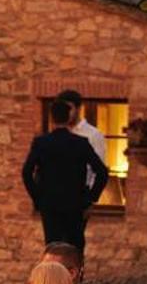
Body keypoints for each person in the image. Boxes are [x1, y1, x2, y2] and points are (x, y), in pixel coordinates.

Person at [20, 97, 110, 250]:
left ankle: (54, 274)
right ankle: (75, 273)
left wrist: (38, 198)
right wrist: (90, 199)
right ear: (68, 117)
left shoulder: (41, 143)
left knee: (53, 248)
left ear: (51, 117)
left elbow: (26, 172)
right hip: (75, 204)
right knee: (74, 249)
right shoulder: (80, 143)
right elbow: (102, 172)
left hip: (50, 204)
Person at [56, 88, 112, 182]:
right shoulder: (56, 135)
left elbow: (99, 172)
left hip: (81, 192)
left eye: (69, 108)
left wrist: (89, 195)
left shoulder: (93, 135)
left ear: (78, 109)